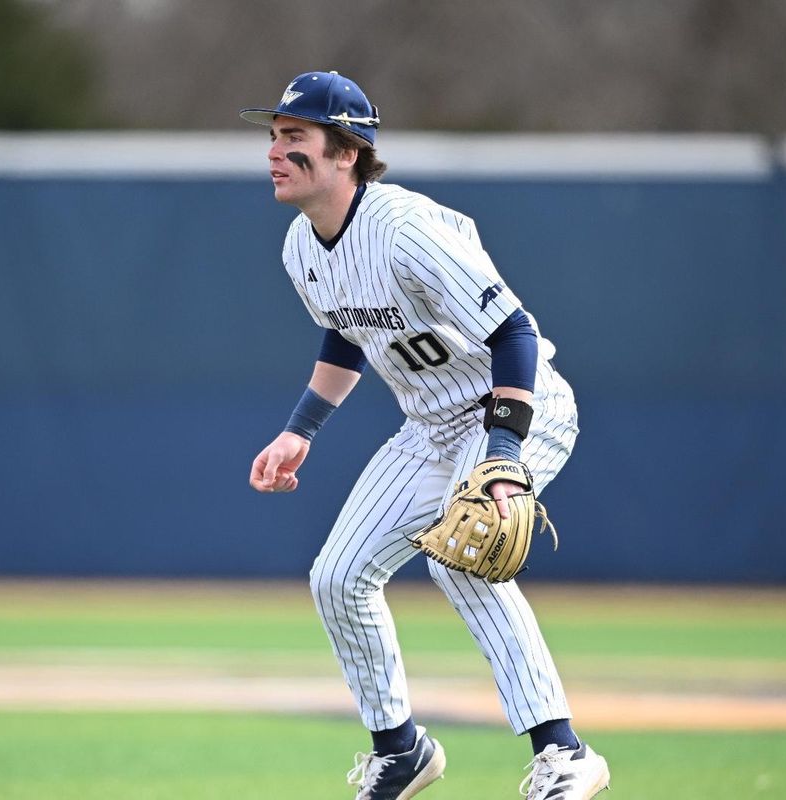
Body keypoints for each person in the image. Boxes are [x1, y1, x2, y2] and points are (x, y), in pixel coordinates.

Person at [243, 71, 610, 800]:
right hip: (432, 424)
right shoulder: (299, 246)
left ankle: (564, 754)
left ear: (347, 152)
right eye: (275, 136)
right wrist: (301, 431)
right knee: (338, 576)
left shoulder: (404, 230)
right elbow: (349, 337)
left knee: (463, 560)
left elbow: (515, 332)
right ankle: (400, 750)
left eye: (295, 137)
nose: (276, 152)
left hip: (516, 407)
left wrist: (503, 458)